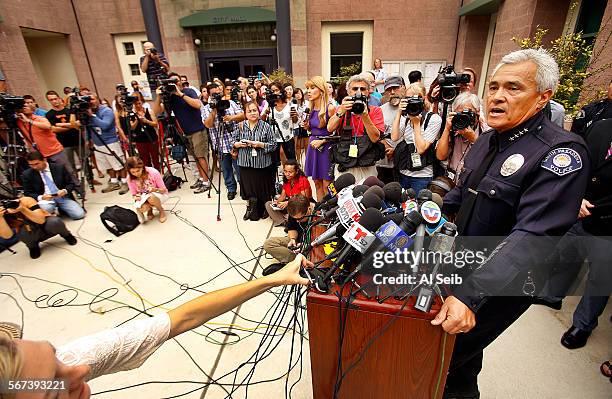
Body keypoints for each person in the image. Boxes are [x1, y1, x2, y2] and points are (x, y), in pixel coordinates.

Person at [434, 48, 590, 399]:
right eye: (493, 87)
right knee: (460, 365)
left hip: (507, 280)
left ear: (543, 98)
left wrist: (468, 296)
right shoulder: (488, 140)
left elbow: (533, 235)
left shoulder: (561, 152)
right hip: (465, 261)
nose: (498, 97)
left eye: (513, 88)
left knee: (445, 355)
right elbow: (462, 196)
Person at [0, 255, 311, 397]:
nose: (78, 370)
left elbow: (181, 318)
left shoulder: (70, 362)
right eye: (55, 387)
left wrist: (273, 278)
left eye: (56, 355)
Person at [153, 72, 211, 194]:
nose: (175, 83)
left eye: (176, 80)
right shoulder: (169, 97)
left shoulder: (189, 91)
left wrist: (180, 94)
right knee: (194, 157)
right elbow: (157, 111)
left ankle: (206, 182)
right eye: (172, 81)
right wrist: (158, 97)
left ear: (180, 81)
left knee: (201, 156)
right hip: (185, 132)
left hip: (198, 130)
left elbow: (197, 105)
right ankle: (201, 179)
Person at [16, 96, 83, 195]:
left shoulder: (39, 118)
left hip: (54, 151)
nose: (26, 107)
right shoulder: (19, 122)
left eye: (28, 104)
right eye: (24, 106)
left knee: (69, 172)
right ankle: (60, 193)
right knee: (49, 175)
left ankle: (79, 191)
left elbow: (47, 126)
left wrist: (29, 121)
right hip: (39, 154)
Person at [327, 73, 385, 184]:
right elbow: (330, 128)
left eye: (362, 89)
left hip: (367, 166)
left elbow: (375, 138)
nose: (359, 92)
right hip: (345, 164)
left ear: (368, 92)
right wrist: (341, 111)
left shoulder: (375, 110)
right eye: (355, 89)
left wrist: (365, 116)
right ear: (348, 92)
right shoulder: (341, 108)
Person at [390, 82, 442, 192]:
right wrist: (399, 112)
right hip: (404, 171)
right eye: (408, 98)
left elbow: (421, 149)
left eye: (417, 98)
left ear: (424, 98)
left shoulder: (433, 119)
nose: (413, 101)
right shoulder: (406, 117)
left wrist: (417, 124)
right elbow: (394, 137)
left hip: (422, 176)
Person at [232, 101, 277, 221]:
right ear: (245, 113)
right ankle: (251, 209)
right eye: (249, 111)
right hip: (245, 163)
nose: (252, 113)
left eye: (254, 110)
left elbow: (273, 145)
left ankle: (265, 209)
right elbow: (233, 141)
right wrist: (237, 144)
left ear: (258, 111)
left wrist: (260, 144)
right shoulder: (240, 126)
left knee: (262, 188)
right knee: (248, 188)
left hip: (262, 163)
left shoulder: (266, 126)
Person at [203, 82, 244, 200]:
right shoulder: (206, 109)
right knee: (226, 170)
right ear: (209, 96)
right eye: (213, 95)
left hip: (235, 142)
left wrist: (232, 118)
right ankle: (231, 189)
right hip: (220, 144)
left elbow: (242, 115)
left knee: (240, 167)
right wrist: (214, 111)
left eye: (218, 94)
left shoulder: (230, 103)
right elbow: (208, 125)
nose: (217, 96)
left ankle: (244, 188)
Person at [0, 196, 77, 259]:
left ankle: (66, 235)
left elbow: (41, 220)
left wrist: (23, 209)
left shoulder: (25, 200)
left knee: (55, 222)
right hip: (29, 232)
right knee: (22, 234)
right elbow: (8, 236)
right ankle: (33, 246)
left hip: (46, 225)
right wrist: (0, 218)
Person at [436, 92, 486, 186]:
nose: (463, 118)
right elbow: (440, 156)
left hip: (472, 183)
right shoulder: (453, 130)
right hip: (451, 181)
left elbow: (488, 158)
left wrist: (474, 140)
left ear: (478, 112)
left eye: (467, 113)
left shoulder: (485, 132)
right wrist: (447, 129)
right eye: (459, 114)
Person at [21, 151, 85, 220]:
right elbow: (27, 192)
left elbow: (71, 183)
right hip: (45, 200)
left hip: (62, 197)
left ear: (44, 160)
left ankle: (62, 209)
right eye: (31, 165)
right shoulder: (27, 174)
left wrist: (65, 191)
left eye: (36, 164)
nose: (34, 167)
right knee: (46, 209)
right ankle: (54, 210)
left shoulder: (59, 167)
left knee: (79, 214)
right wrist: (41, 197)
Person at [87, 94, 129, 195]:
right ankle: (114, 182)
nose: (90, 101)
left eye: (92, 99)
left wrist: (91, 116)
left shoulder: (106, 111)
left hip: (110, 142)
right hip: (98, 144)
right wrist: (88, 140)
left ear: (98, 100)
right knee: (107, 165)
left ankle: (124, 182)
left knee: (118, 163)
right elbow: (86, 127)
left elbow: (105, 125)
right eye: (88, 100)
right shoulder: (87, 112)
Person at [44, 90, 88, 182]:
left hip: (78, 140)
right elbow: (54, 129)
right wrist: (71, 125)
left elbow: (79, 124)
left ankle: (90, 180)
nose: (54, 101)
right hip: (64, 144)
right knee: (71, 166)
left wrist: (62, 125)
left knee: (85, 162)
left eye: (55, 99)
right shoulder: (49, 115)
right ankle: (77, 184)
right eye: (51, 100)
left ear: (59, 98)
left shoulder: (70, 111)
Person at [304, 76, 335, 201]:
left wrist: (322, 141)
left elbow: (337, 134)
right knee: (316, 182)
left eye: (312, 88)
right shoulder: (310, 109)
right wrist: (307, 127)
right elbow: (313, 129)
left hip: (326, 148)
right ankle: (321, 212)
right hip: (313, 146)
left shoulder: (330, 108)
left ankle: (332, 212)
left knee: (328, 184)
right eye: (307, 88)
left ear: (321, 90)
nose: (309, 91)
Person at [263, 194, 311, 266]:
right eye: (295, 219)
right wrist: (292, 239)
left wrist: (306, 246)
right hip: (298, 242)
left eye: (300, 218)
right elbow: (292, 228)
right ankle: (299, 260)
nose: (297, 221)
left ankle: (301, 261)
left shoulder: (318, 215)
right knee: (268, 244)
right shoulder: (294, 212)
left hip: (311, 246)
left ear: (309, 209)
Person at [265, 160, 312, 227]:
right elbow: (283, 196)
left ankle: (287, 220)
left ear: (296, 171)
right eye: (285, 171)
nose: (287, 174)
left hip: (300, 205)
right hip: (289, 204)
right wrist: (276, 202)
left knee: (295, 209)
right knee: (268, 204)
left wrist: (288, 203)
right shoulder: (287, 180)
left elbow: (304, 199)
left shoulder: (303, 180)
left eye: (290, 172)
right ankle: (284, 221)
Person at [376, 75, 405, 184]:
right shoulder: (380, 110)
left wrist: (397, 151)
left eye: (395, 88)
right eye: (388, 89)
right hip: (384, 163)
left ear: (403, 88)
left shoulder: (412, 108)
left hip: (405, 163)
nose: (392, 92)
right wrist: (387, 147)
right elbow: (376, 133)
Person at [126, 156, 168, 223]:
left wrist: (155, 189)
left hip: (159, 195)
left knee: (151, 198)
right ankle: (149, 210)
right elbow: (134, 194)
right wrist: (136, 197)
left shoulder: (153, 172)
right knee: (142, 208)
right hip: (144, 198)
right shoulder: (129, 178)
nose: (136, 174)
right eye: (133, 172)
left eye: (138, 170)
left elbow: (164, 190)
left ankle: (161, 210)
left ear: (142, 167)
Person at [129, 92, 160, 170]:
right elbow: (132, 127)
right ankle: (149, 175)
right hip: (140, 140)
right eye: (136, 104)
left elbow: (155, 124)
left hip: (151, 138)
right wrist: (137, 119)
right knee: (145, 160)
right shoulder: (132, 114)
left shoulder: (149, 111)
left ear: (142, 102)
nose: (138, 105)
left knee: (155, 158)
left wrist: (146, 121)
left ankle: (158, 175)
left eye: (139, 103)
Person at [269, 81, 297, 164]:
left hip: (287, 137)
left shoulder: (290, 104)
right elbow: (262, 119)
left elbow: (295, 121)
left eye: (276, 90)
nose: (275, 93)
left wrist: (294, 115)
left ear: (281, 91)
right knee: (274, 163)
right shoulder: (270, 104)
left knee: (291, 161)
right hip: (274, 138)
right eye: (272, 91)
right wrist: (266, 112)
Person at [292, 87, 309, 164]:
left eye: (299, 93)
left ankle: (307, 161)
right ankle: (298, 161)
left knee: (306, 144)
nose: (298, 95)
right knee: (297, 145)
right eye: (296, 93)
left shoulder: (307, 103)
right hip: (296, 125)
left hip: (305, 124)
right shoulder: (293, 104)